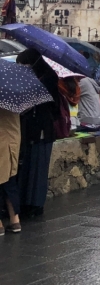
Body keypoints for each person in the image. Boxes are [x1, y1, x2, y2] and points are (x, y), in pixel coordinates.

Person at [2, 49, 63, 226]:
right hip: (30, 132)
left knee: (38, 168)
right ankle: (25, 204)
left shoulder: (48, 79)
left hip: (42, 131)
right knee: (27, 168)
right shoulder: (33, 79)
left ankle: (35, 204)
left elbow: (49, 106)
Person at [0, 108, 18, 234]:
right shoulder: (13, 98)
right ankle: (15, 220)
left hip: (2, 142)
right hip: (13, 142)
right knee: (10, 182)